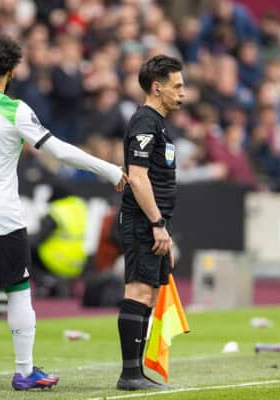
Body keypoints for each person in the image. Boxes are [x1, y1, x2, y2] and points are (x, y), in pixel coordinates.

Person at [0, 33, 126, 391]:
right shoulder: (15, 110)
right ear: (13, 71)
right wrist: (110, 170)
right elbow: (61, 152)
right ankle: (24, 371)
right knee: (19, 291)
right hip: (3, 219)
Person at [116, 54, 185, 391]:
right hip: (143, 220)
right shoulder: (144, 121)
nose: (183, 93)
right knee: (139, 290)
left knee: (150, 292)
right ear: (157, 88)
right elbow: (139, 179)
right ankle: (129, 374)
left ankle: (136, 371)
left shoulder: (157, 123)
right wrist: (157, 223)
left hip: (156, 222)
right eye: (177, 86)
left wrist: (164, 227)